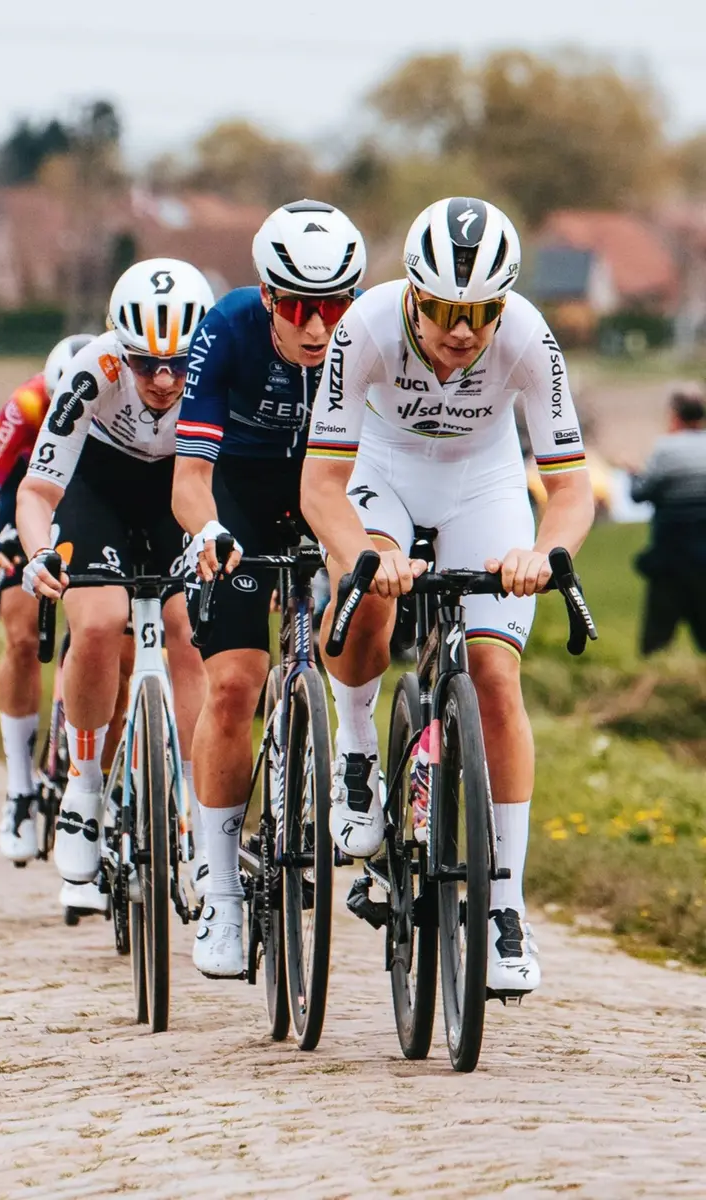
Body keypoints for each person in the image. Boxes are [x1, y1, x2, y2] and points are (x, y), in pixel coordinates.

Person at [301, 196, 595, 993]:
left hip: (485, 484)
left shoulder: (530, 336)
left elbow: (571, 489)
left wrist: (544, 552)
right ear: (412, 296)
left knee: (497, 681)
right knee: (371, 593)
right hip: (383, 472)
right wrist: (365, 552)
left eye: (481, 313)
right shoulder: (363, 328)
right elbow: (323, 484)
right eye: (443, 311)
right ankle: (358, 743)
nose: (463, 332)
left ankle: (504, 906)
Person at [171, 199, 366, 978]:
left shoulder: (369, 337)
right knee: (234, 687)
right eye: (296, 307)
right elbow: (190, 477)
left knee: (360, 633)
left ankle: (354, 784)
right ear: (265, 295)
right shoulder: (226, 329)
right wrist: (208, 532)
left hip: (332, 486)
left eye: (334, 306)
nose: (317, 328)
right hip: (241, 494)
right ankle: (220, 887)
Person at [16, 259, 213, 912]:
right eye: (145, 363)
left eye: (179, 364)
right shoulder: (92, 370)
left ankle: (199, 803)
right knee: (97, 622)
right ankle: (84, 785)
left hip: (181, 491)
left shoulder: (220, 367)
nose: (163, 380)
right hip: (98, 487)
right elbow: (39, 489)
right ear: (118, 349)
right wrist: (40, 552)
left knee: (189, 632)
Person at [0, 333, 94, 863]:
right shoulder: (28, 403)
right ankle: (18, 786)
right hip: (28, 504)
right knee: (23, 632)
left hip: (99, 504)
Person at [631, 390, 706, 654]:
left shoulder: (666, 449)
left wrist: (633, 474)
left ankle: (652, 688)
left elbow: (640, 493)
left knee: (656, 641)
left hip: (670, 559)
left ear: (675, 417)